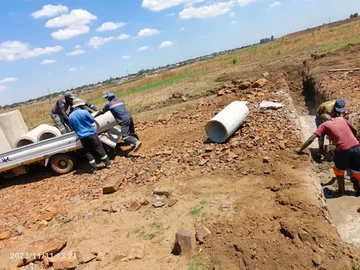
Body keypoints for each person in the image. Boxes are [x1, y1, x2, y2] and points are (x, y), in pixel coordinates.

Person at [295, 114, 360, 196]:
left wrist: (300, 149)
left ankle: (341, 191)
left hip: (343, 150)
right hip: (357, 147)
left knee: (338, 169)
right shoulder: (341, 119)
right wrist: (352, 139)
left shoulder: (324, 125)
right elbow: (354, 130)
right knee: (357, 170)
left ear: (322, 120)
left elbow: (312, 138)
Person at [69, 98, 112, 174]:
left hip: (82, 137)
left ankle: (94, 168)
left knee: (88, 152)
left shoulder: (71, 116)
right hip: (91, 133)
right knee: (99, 148)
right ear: (80, 105)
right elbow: (92, 120)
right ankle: (107, 163)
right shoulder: (84, 112)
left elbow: (73, 129)